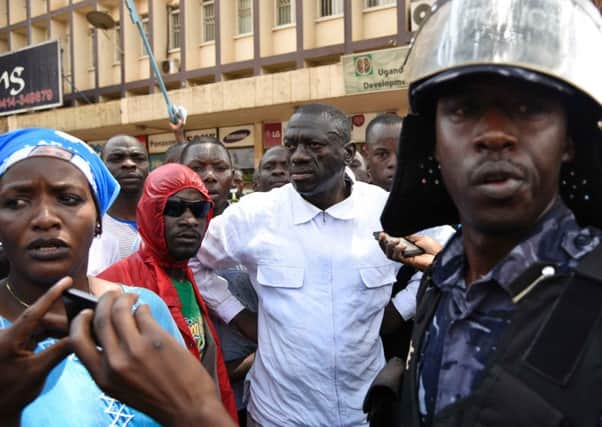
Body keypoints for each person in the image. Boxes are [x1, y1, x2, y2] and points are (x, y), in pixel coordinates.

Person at [367, 0, 602, 426]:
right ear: (433, 143)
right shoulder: (441, 280)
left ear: (568, 141)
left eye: (529, 109)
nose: (494, 134)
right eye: (465, 110)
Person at [190, 103, 410, 426]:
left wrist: (401, 309)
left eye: (314, 145)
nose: (299, 157)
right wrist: (237, 316)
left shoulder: (385, 208)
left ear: (348, 153)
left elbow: (447, 252)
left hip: (362, 414)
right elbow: (193, 259)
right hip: (279, 415)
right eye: (291, 146)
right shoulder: (256, 214)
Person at [0, 128, 184, 426]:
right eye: (16, 202)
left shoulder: (143, 311)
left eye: (68, 198)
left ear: (99, 221)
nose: (45, 218)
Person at [97, 163, 238, 421]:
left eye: (199, 210)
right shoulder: (114, 285)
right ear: (152, 213)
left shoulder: (186, 276)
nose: (189, 220)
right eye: (174, 209)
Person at [91, 134, 149, 272]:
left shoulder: (168, 218)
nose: (129, 164)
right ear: (102, 167)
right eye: (117, 158)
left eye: (138, 158)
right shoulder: (92, 227)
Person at [181, 136, 233, 216]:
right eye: (196, 168)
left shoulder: (249, 223)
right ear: (179, 175)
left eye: (220, 168)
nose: (210, 176)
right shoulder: (163, 225)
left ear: (232, 177)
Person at [362, 113, 403, 191]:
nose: (393, 163)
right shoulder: (357, 200)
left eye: (402, 154)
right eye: (382, 154)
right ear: (366, 154)